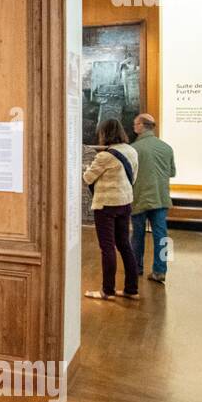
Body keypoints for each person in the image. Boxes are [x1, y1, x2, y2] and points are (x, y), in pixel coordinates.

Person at [83, 118, 140, 301]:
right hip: (125, 202)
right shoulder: (131, 150)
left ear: (104, 134)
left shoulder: (105, 156)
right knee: (125, 245)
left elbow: (87, 178)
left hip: (106, 205)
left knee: (107, 247)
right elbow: (134, 175)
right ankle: (132, 289)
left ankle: (107, 290)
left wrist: (85, 168)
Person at [130, 113, 176, 284]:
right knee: (162, 235)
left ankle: (136, 267)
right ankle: (160, 270)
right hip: (161, 197)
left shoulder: (134, 149)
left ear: (142, 125)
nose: (134, 127)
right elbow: (172, 172)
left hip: (140, 197)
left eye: (135, 124)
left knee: (137, 235)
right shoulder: (167, 148)